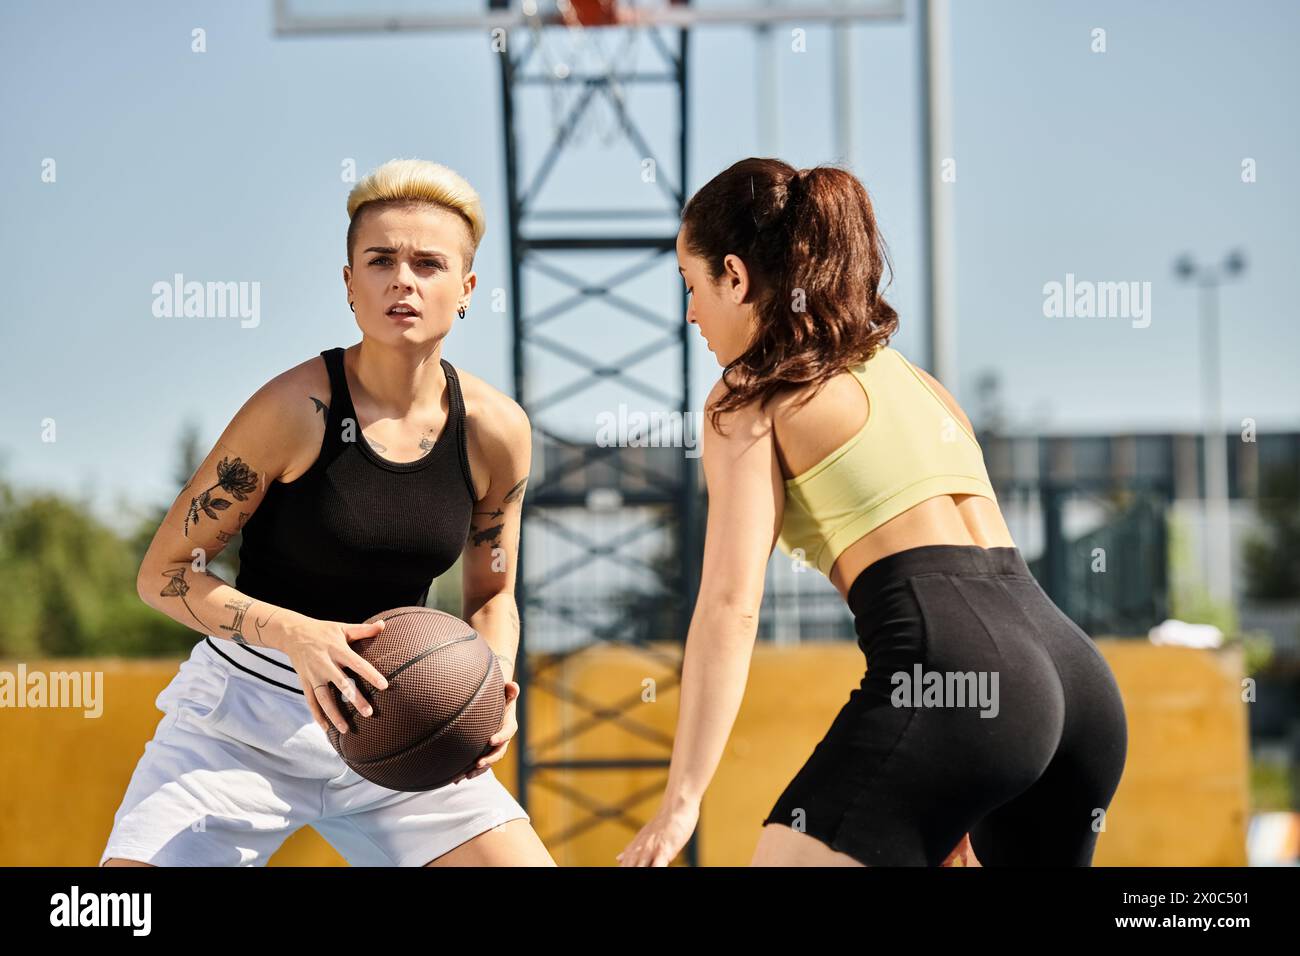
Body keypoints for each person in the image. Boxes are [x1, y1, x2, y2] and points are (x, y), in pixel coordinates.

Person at [617, 158, 1128, 867]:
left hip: (963, 677)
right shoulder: (920, 383)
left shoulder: (749, 397)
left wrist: (681, 804)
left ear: (735, 276)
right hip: (1078, 687)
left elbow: (731, 605)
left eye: (692, 285)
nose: (691, 314)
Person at [100, 158, 554, 866]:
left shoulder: (496, 430)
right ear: (350, 285)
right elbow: (163, 575)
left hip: (405, 711)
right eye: (380, 260)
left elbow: (493, 594)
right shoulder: (293, 411)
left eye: (428, 263)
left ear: (465, 290)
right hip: (242, 721)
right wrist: (303, 638)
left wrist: (491, 685)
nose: (403, 278)